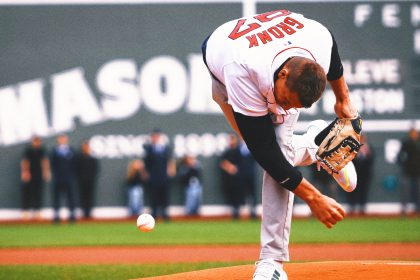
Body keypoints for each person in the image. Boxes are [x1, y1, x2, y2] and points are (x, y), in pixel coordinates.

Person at [202, 9, 358, 280]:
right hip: (226, 63)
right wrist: (314, 197)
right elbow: (265, 152)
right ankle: (316, 145)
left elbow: (329, 43)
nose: (286, 110)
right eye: (286, 101)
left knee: (280, 156)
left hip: (254, 51)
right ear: (284, 74)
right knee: (269, 154)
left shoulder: (316, 40)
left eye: (295, 106)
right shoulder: (242, 70)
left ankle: (272, 261)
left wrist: (342, 97)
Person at [143, 129, 176, 221]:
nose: (155, 138)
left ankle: (165, 213)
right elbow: (145, 163)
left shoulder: (165, 148)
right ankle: (154, 213)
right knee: (153, 195)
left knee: (165, 195)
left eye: (157, 136)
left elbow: (170, 160)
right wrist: (146, 173)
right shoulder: (148, 149)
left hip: (164, 175)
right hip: (153, 176)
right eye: (154, 136)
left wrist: (171, 169)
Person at [20, 136, 50, 220]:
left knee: (38, 194)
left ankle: (38, 212)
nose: (36, 143)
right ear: (32, 141)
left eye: (38, 141)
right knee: (27, 194)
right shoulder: (28, 150)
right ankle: (25, 212)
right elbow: (25, 161)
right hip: (30, 175)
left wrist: (46, 172)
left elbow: (45, 161)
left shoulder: (42, 150)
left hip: (39, 175)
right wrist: (25, 172)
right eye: (35, 141)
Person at [50, 134, 77, 223]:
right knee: (56, 197)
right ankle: (56, 216)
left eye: (64, 139)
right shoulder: (54, 151)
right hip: (58, 177)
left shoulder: (71, 151)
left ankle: (72, 216)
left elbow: (74, 164)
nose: (62, 140)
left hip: (69, 177)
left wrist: (72, 175)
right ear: (58, 140)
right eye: (60, 139)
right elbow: (52, 164)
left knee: (71, 197)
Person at [347, 134, 375, 215]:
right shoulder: (352, 148)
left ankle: (362, 207)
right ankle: (352, 207)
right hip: (354, 173)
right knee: (352, 191)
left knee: (363, 191)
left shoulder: (369, 148)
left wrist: (367, 155)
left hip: (365, 174)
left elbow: (371, 159)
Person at [219, 134, 242, 219]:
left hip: (239, 179)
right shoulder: (226, 152)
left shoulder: (239, 151)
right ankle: (234, 211)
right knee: (231, 195)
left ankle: (237, 210)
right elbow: (222, 162)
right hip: (229, 179)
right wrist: (229, 167)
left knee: (238, 195)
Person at [397, 127, 420, 215]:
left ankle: (418, 208)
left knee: (418, 191)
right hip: (407, 170)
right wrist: (404, 164)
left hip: (418, 171)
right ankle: (404, 209)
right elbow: (399, 156)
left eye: (415, 133)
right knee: (405, 191)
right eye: (412, 133)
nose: (414, 135)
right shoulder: (406, 143)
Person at [75, 140, 100, 219]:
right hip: (81, 181)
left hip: (90, 180)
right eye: (85, 146)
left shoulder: (92, 158)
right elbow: (76, 169)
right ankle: (84, 213)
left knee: (90, 197)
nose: (86, 148)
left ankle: (89, 213)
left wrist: (91, 177)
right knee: (82, 197)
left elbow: (96, 169)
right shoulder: (79, 157)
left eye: (87, 146)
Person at [238, 140, 258, 219]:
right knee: (241, 193)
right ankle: (241, 211)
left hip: (251, 174)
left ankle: (253, 211)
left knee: (252, 193)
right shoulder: (238, 148)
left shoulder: (251, 146)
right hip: (241, 175)